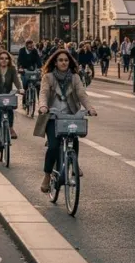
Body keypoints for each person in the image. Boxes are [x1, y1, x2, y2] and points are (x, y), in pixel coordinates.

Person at [34, 49, 96, 193]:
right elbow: (43, 93)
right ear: (55, 63)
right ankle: (47, 176)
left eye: (66, 60)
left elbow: (82, 94)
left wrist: (90, 108)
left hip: (70, 115)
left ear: (70, 62)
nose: (64, 62)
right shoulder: (48, 77)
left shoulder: (75, 77)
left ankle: (74, 162)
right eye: (61, 60)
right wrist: (43, 106)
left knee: (74, 139)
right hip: (52, 116)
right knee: (53, 146)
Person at [0, 50, 22, 157]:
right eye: (1, 58)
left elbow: (16, 80)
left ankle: (10, 128)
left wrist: (20, 89)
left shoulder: (12, 69)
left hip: (8, 96)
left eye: (6, 58)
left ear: (9, 60)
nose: (4, 60)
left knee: (10, 109)